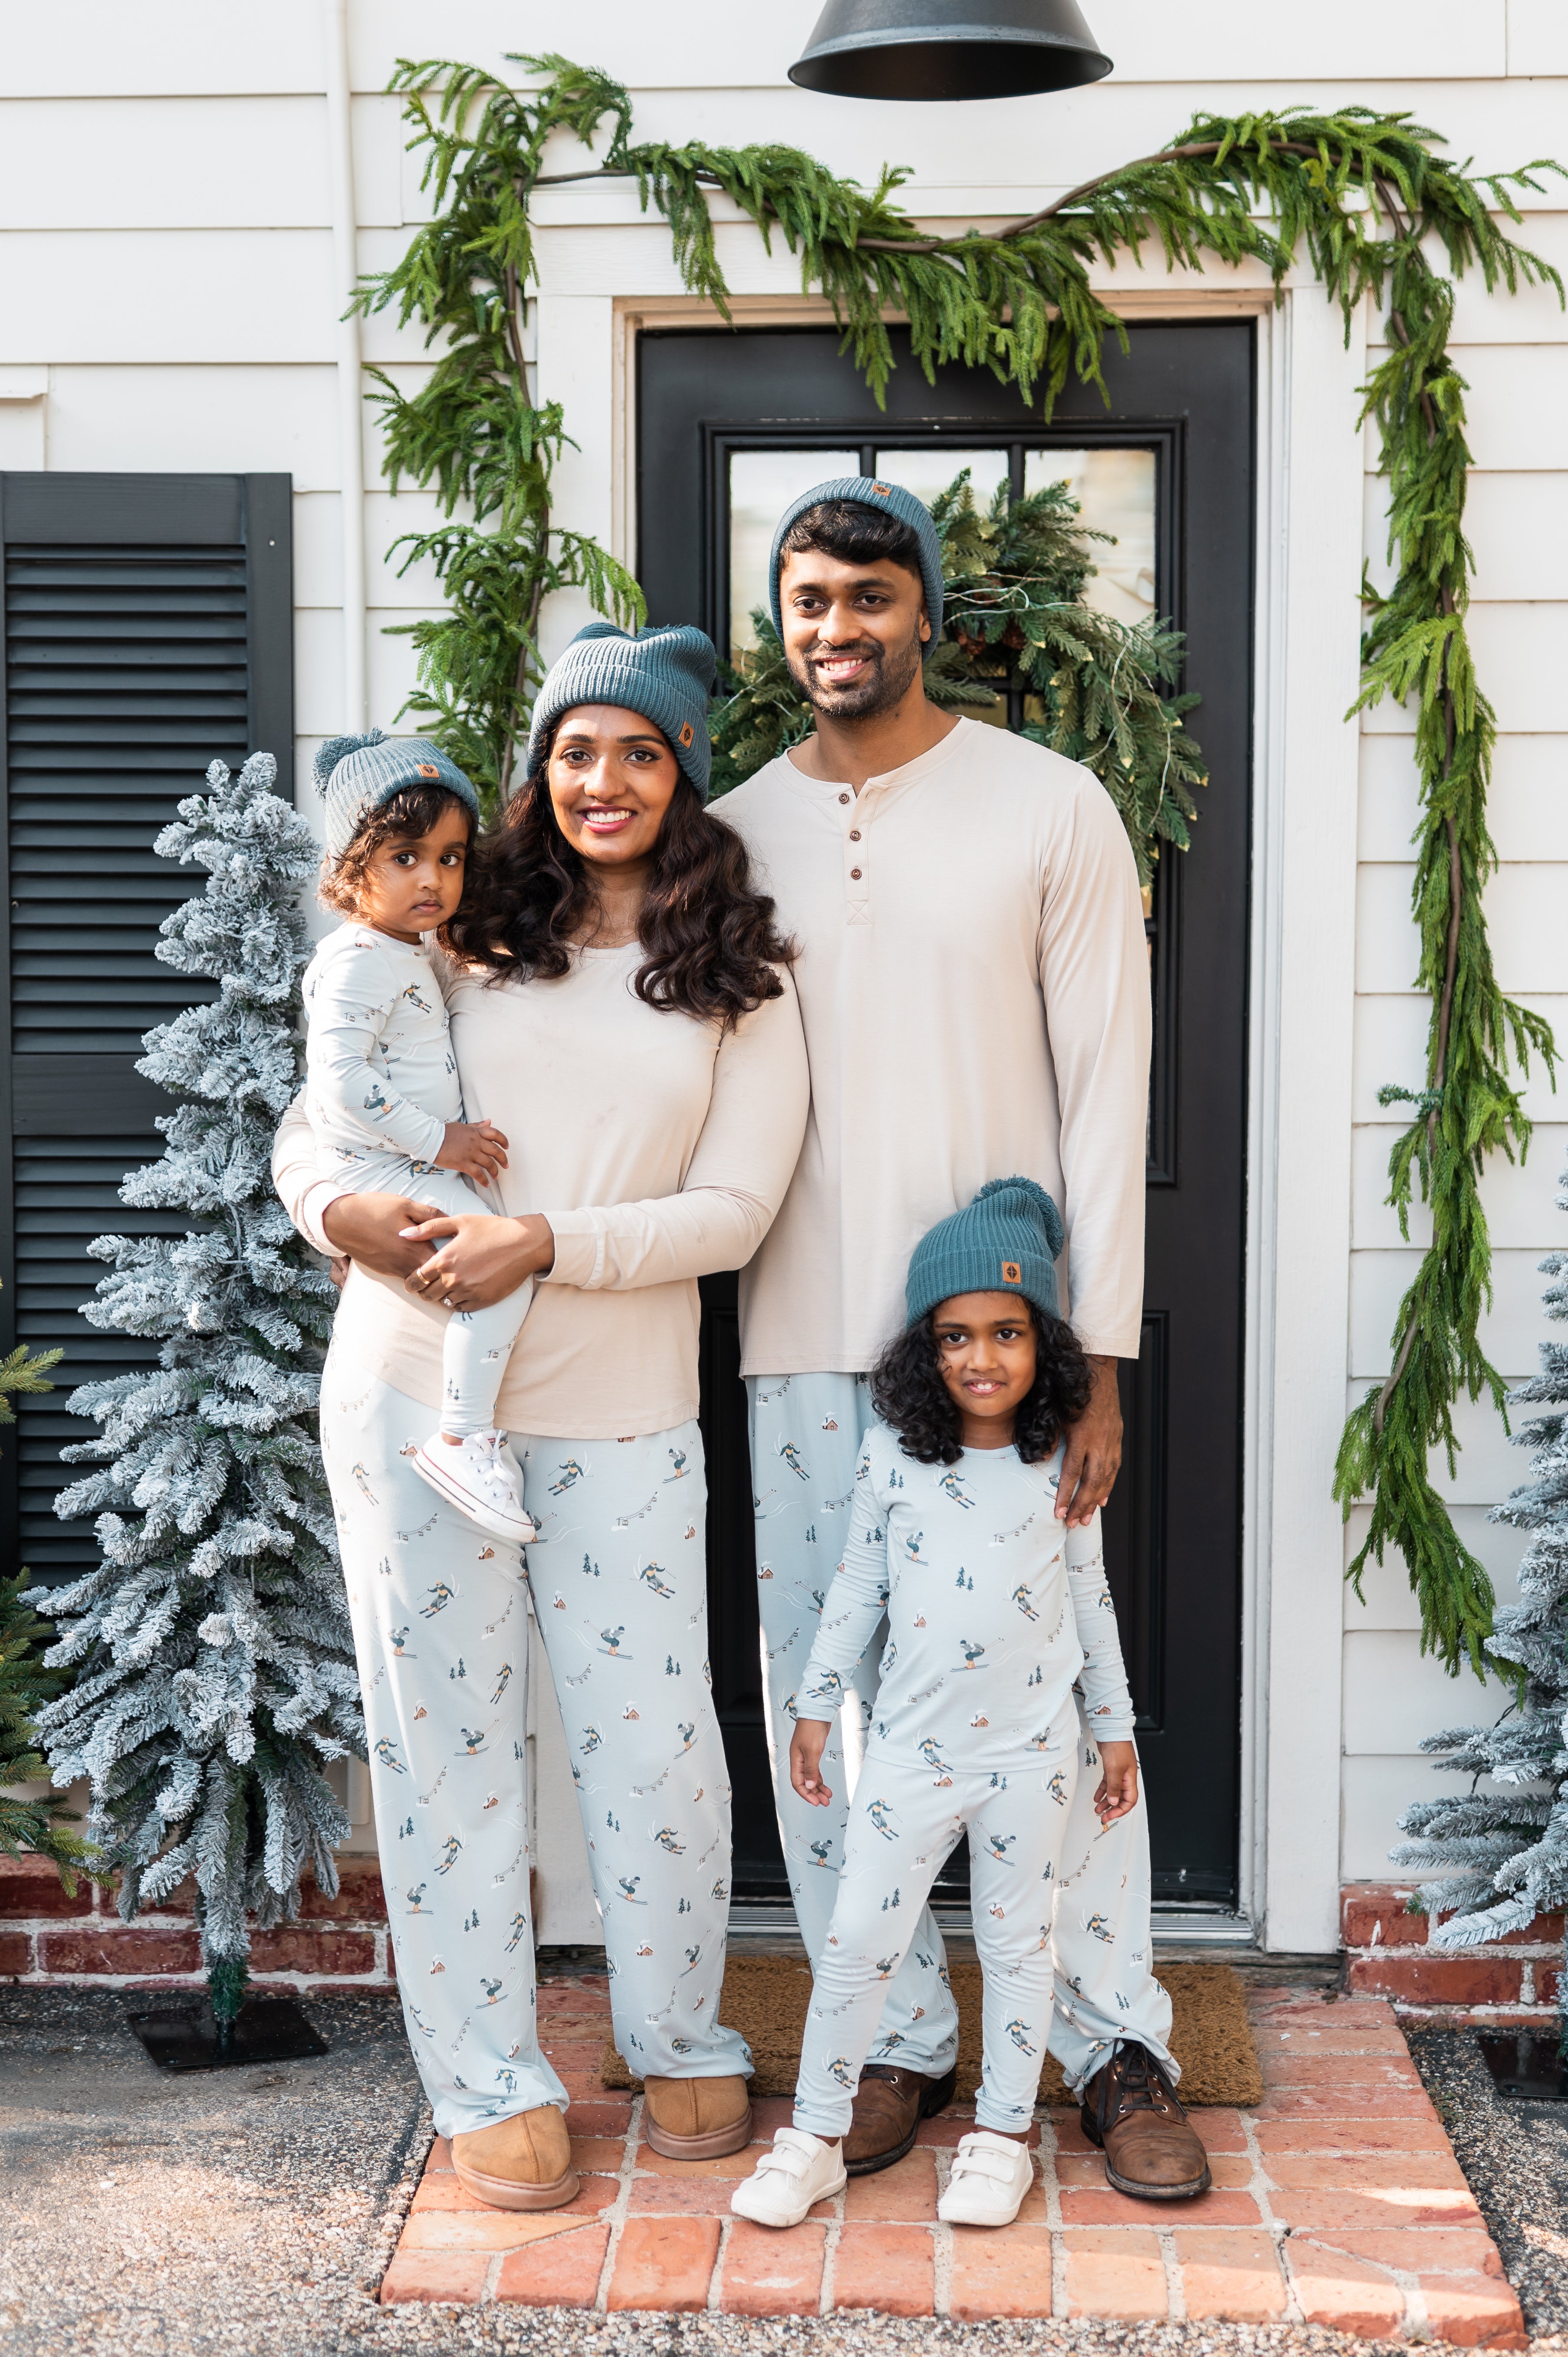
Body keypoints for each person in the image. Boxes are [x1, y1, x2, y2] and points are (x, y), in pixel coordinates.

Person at [272, 622, 809, 2210]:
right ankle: (487, 2073)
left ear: (683, 772)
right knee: (445, 1745)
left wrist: (553, 1241)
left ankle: (674, 2026)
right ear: (540, 768)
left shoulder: (739, 975)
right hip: (411, 1391)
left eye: (638, 751)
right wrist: (331, 1216)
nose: (603, 778)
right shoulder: (456, 922)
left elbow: (736, 1206)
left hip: (626, 1405)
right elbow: (320, 1122)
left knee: (653, 1748)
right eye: (577, 748)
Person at [718, 475, 1208, 2196]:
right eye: (806, 599)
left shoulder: (1048, 807)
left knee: (1057, 1710)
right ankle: (901, 2041)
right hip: (798, 1336)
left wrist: (1101, 1366)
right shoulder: (728, 829)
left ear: (924, 608)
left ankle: (1107, 2038)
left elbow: (1107, 1091)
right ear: (780, 622)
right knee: (834, 1693)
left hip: (1008, 1355)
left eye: (866, 595)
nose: (835, 627)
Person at [733, 1180, 1196, 2230]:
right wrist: (812, 1708)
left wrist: (1114, 1733)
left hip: (1032, 1760)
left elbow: (1091, 1603)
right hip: (907, 1756)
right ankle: (810, 2135)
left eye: (1006, 1332)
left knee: (1017, 1947)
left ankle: (1000, 2139)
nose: (980, 1357)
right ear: (922, 1351)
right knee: (856, 1940)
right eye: (953, 1337)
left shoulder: (1056, 1471)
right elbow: (855, 1586)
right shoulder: (894, 1457)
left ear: (1045, 1348)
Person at [303, 731, 536, 1543]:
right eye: (405, 858)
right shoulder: (358, 959)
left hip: (402, 1155)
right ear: (349, 868)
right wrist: (440, 1142)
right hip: (391, 1161)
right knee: (499, 1274)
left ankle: (465, 1429)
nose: (433, 879)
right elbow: (340, 1077)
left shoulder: (403, 949)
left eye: (450, 857)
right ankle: (463, 1435)